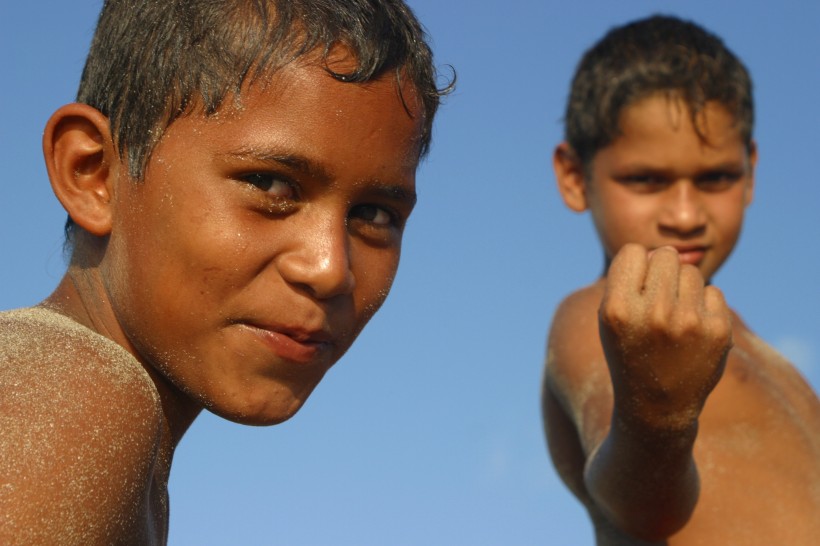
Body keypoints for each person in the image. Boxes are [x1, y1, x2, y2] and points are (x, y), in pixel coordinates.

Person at [0, 1, 450, 543]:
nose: (331, 270)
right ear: (93, 173)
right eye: (270, 185)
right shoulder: (73, 397)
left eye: (374, 215)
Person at [542, 15, 819, 545]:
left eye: (715, 177)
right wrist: (658, 417)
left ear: (751, 171)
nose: (686, 214)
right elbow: (642, 508)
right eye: (647, 180)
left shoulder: (770, 361)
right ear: (575, 177)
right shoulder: (596, 317)